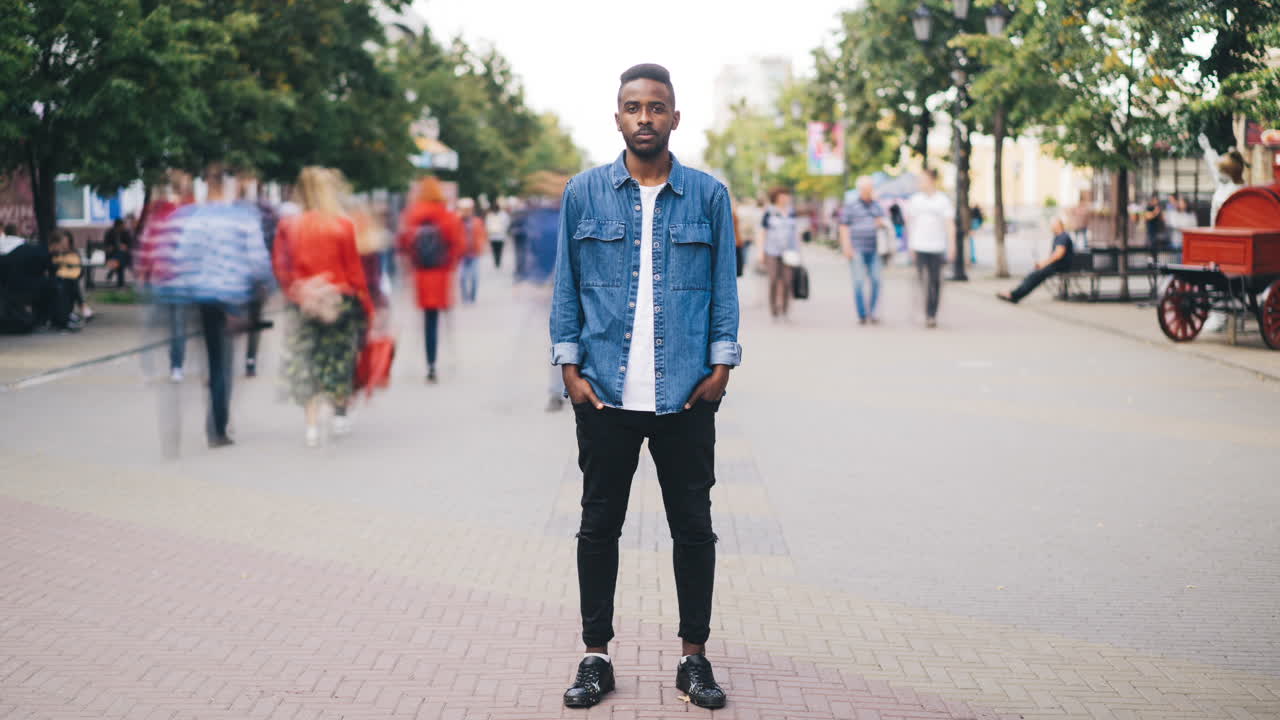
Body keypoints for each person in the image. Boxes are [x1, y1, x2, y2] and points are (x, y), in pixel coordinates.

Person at [551, 63, 740, 711]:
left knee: (694, 527)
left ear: (675, 118)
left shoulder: (709, 196)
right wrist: (569, 370)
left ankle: (694, 659)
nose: (644, 118)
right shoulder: (583, 194)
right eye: (633, 107)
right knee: (598, 525)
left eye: (656, 107)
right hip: (604, 394)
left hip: (686, 396)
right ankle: (595, 655)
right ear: (617, 118)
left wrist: (720, 368)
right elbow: (565, 286)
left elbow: (724, 291)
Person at [159, 164, 272, 448]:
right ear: (229, 185)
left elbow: (180, 258)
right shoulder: (243, 217)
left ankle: (212, 403)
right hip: (231, 298)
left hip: (202, 298)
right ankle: (217, 427)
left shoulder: (192, 217)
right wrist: (264, 285)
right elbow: (258, 261)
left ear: (206, 185)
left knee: (211, 357)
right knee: (224, 363)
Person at [272, 168, 372, 447]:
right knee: (338, 358)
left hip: (303, 301)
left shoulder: (288, 226)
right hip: (339, 299)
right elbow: (354, 270)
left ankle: (311, 426)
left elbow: (281, 267)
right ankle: (339, 415)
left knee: (306, 361)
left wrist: (296, 290)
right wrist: (366, 304)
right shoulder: (342, 224)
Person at [397, 176, 466, 384]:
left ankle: (430, 363)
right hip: (441, 275)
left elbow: (403, 244)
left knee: (428, 320)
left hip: (422, 276)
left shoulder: (412, 215)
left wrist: (411, 267)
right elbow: (459, 246)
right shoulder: (447, 216)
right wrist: (450, 265)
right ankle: (440, 361)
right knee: (440, 317)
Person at [137, 172, 195, 383]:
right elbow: (148, 242)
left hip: (175, 280)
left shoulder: (186, 211)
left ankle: (174, 365)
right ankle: (160, 367)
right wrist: (144, 269)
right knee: (161, 325)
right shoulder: (158, 212)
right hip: (161, 279)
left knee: (172, 326)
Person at [905, 168, 954, 328]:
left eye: (923, 179)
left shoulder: (942, 200)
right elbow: (910, 224)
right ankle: (924, 311)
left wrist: (952, 245)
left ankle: (932, 313)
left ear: (932, 180)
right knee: (922, 281)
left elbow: (949, 225)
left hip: (937, 247)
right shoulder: (915, 200)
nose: (920, 182)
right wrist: (910, 245)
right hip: (919, 246)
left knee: (935, 282)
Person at [838, 176, 888, 324]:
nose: (868, 191)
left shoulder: (877, 206)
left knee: (876, 281)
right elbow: (844, 227)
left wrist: (880, 223)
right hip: (857, 248)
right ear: (860, 189)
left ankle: (873, 312)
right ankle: (862, 313)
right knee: (858, 282)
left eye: (870, 188)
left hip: (875, 249)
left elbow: (883, 223)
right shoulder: (851, 206)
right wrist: (846, 246)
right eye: (866, 188)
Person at [996, 218, 1074, 304]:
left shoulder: (1062, 237)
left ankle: (1014, 295)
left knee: (1034, 276)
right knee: (1032, 274)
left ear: (1058, 226)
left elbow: (1058, 255)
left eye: (1053, 225)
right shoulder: (1060, 236)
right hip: (1056, 265)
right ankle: (1014, 293)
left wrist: (1043, 263)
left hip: (1059, 266)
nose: (1051, 227)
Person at [761, 187, 799, 319]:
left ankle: (785, 309)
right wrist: (761, 252)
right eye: (782, 196)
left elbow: (795, 233)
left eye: (786, 196)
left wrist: (798, 251)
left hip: (789, 251)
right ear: (776, 197)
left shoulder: (792, 212)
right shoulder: (769, 212)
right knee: (773, 280)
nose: (785, 199)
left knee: (788, 281)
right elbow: (763, 232)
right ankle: (774, 309)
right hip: (771, 251)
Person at [50, 229, 91, 323]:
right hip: (57, 279)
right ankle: (82, 306)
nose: (64, 246)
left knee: (72, 281)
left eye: (66, 243)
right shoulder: (52, 253)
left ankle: (71, 311)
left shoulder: (74, 253)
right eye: (62, 243)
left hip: (68, 279)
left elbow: (79, 271)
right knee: (72, 283)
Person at [456, 198, 488, 304]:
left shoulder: (477, 221)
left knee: (475, 277)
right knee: (462, 277)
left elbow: (482, 235)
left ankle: (472, 297)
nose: (466, 211)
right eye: (464, 209)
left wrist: (482, 246)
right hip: (461, 254)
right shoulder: (457, 221)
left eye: (468, 209)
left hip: (474, 253)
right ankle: (465, 297)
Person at [103, 218, 134, 288]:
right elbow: (105, 244)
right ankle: (120, 284)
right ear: (117, 226)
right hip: (112, 255)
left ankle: (112, 270)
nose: (123, 227)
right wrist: (110, 247)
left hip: (123, 256)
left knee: (121, 256)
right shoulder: (110, 233)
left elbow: (130, 244)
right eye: (122, 225)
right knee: (120, 261)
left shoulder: (125, 233)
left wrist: (125, 246)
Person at [484, 199, 511, 269]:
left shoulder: (503, 215)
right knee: (495, 249)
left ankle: (498, 261)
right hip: (493, 235)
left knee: (499, 249)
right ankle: (497, 261)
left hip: (500, 235)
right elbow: (487, 225)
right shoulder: (490, 215)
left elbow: (507, 224)